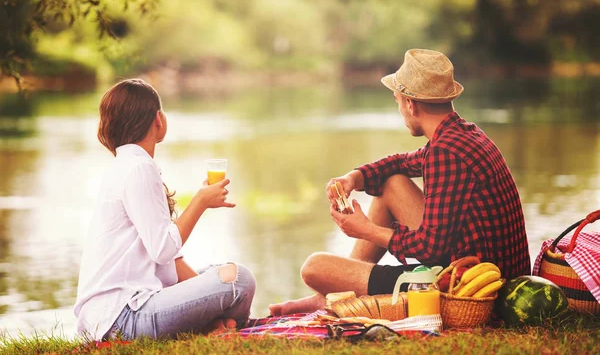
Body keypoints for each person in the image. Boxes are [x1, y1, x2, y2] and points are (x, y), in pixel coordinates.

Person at [269, 49, 531, 316]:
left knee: (314, 268)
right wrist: (355, 177)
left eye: (397, 101)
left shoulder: (446, 153)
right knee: (392, 183)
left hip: (473, 288)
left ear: (410, 104)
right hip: (488, 270)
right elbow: (400, 163)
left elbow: (429, 248)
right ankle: (336, 293)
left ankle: (334, 292)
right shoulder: (461, 135)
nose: (400, 109)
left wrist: (365, 229)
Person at [74, 79, 256, 340]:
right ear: (158, 119)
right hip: (123, 318)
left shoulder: (127, 164)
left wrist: (209, 295)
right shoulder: (139, 168)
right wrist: (200, 202)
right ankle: (217, 325)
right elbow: (163, 249)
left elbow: (168, 261)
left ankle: (214, 325)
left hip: (114, 315)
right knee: (240, 280)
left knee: (222, 272)